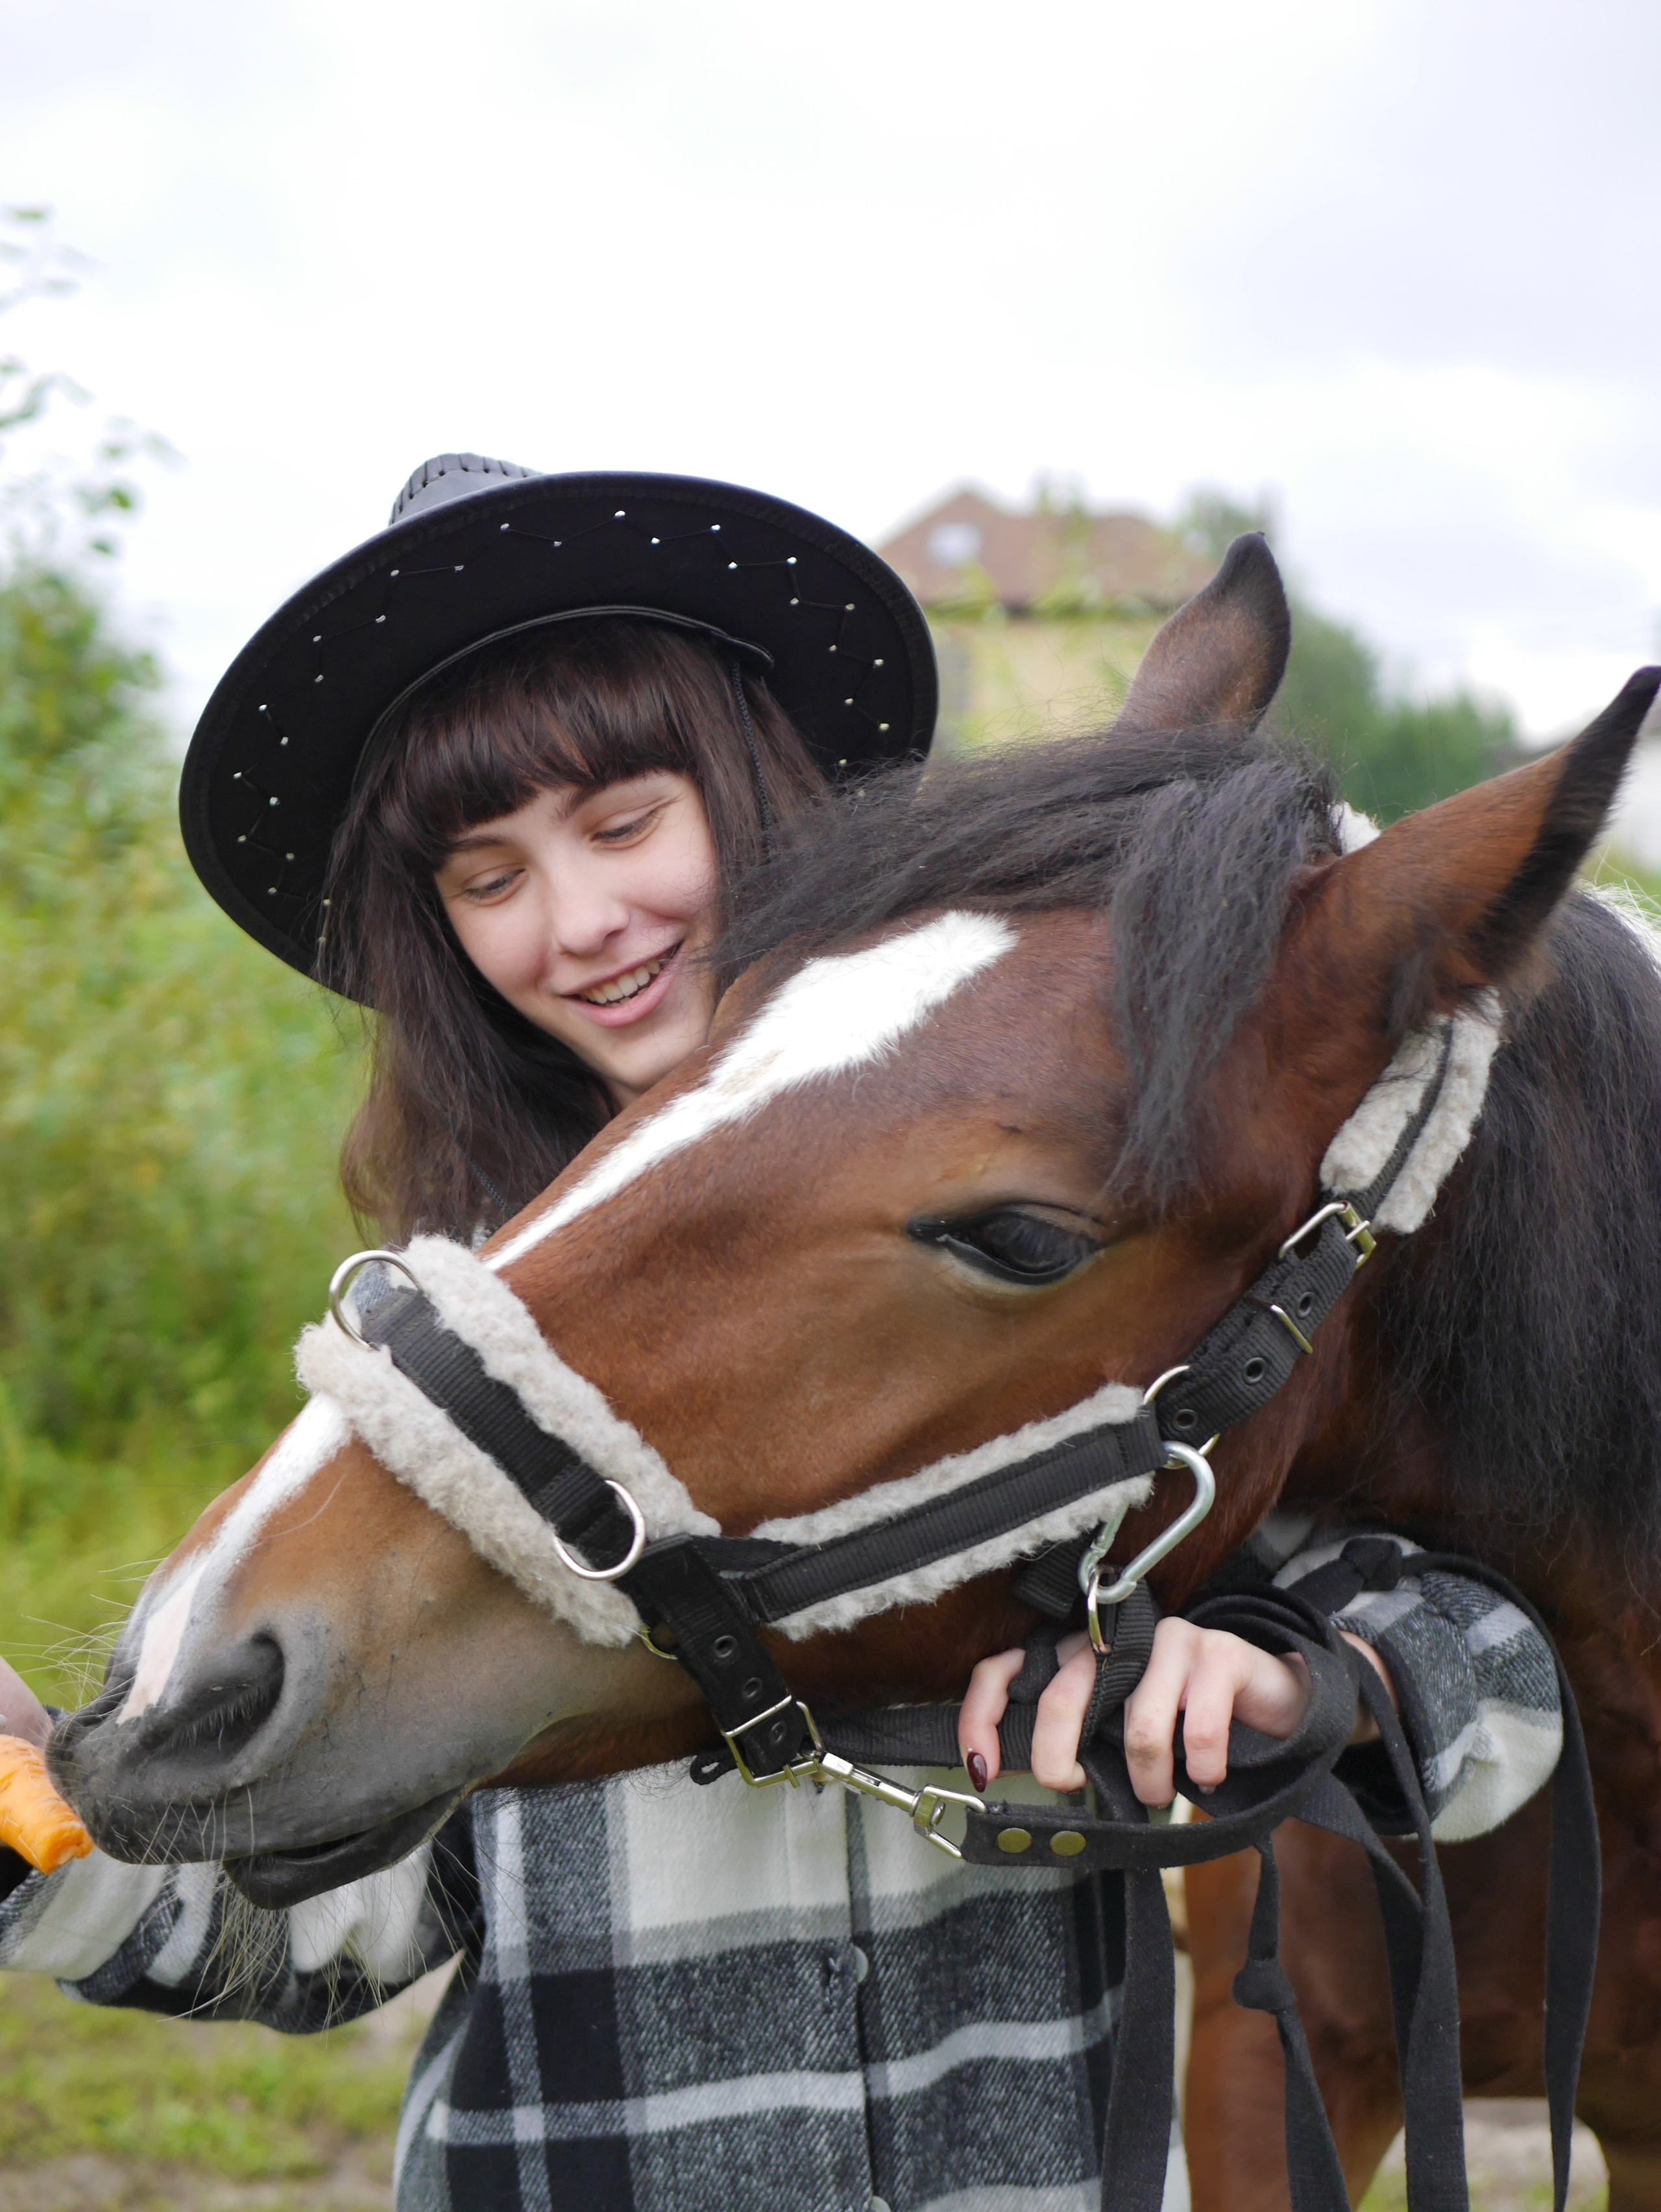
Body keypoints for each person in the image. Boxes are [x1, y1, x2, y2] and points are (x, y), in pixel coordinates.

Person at [0, 457, 1564, 2212]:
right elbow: (318, 1908)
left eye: (620, 821)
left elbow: (1494, 1652)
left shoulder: (1043, 1246)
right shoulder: (453, 1348)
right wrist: (27, 1817)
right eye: (486, 872)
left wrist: (1303, 1669)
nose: (579, 922)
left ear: (755, 796)